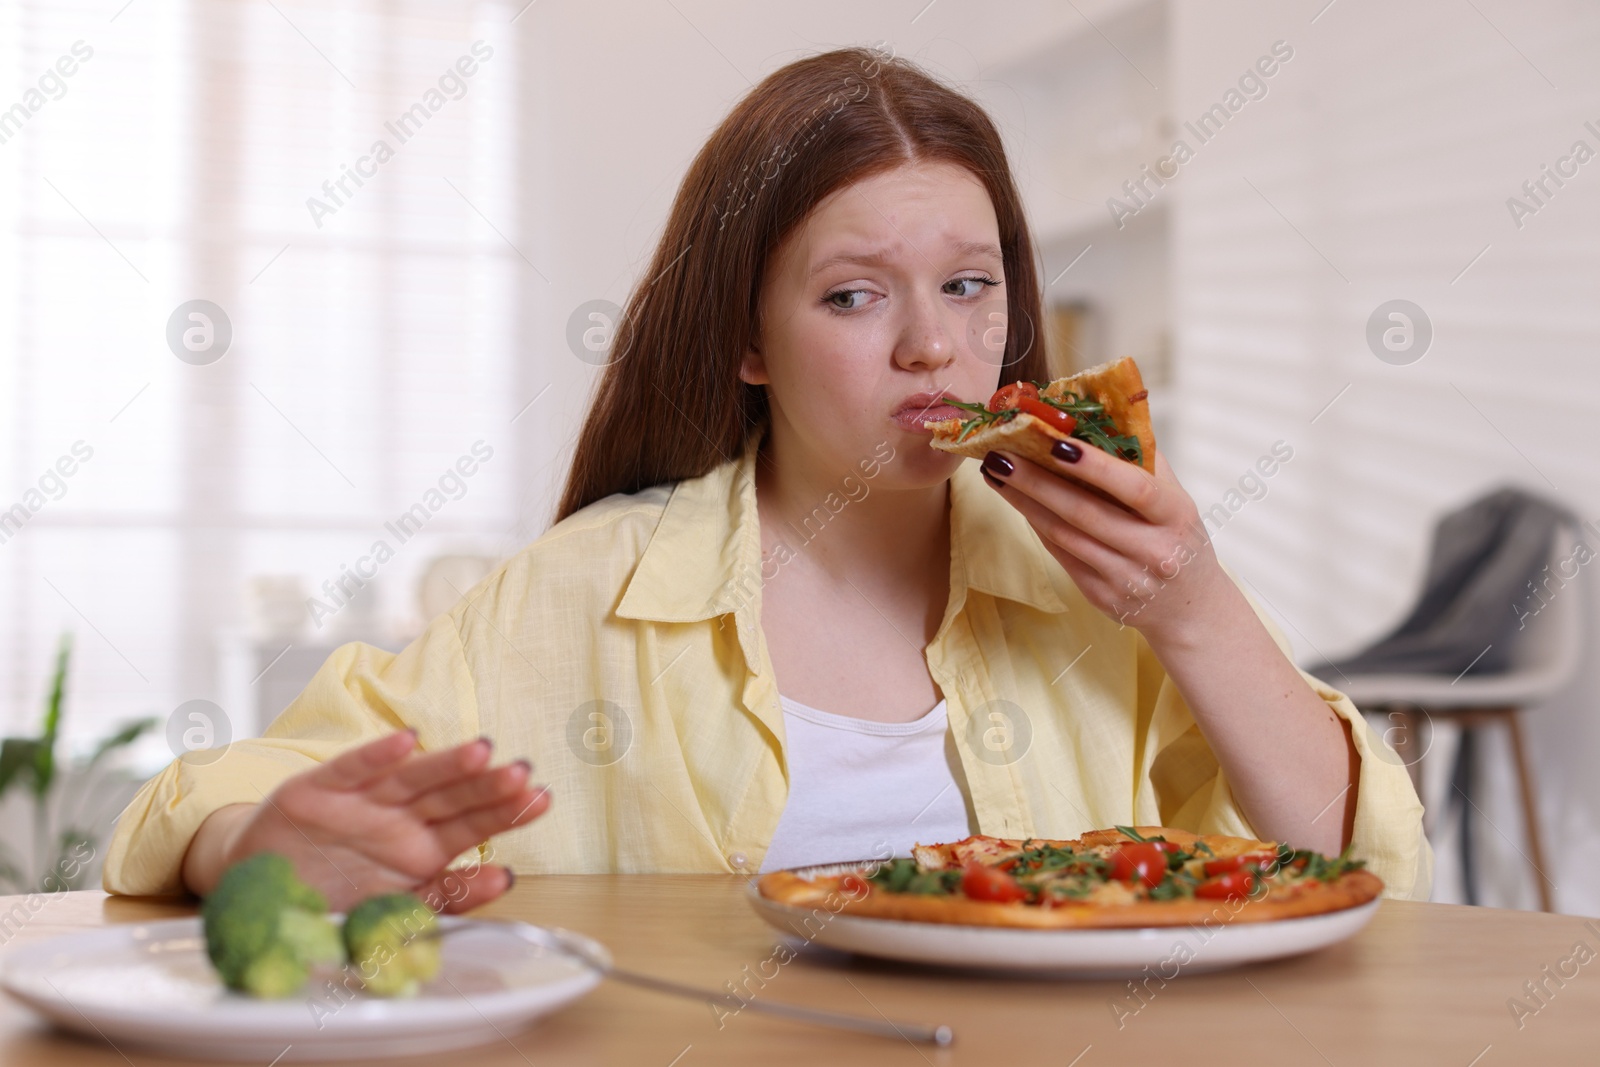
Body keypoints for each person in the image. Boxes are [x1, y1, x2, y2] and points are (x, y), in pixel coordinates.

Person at [104, 46, 1430, 911]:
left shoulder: (1107, 598)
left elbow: (1374, 879)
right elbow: (209, 806)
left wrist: (1195, 610)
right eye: (855, 295)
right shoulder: (583, 595)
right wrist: (264, 855)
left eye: (970, 286)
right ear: (746, 338)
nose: (933, 343)